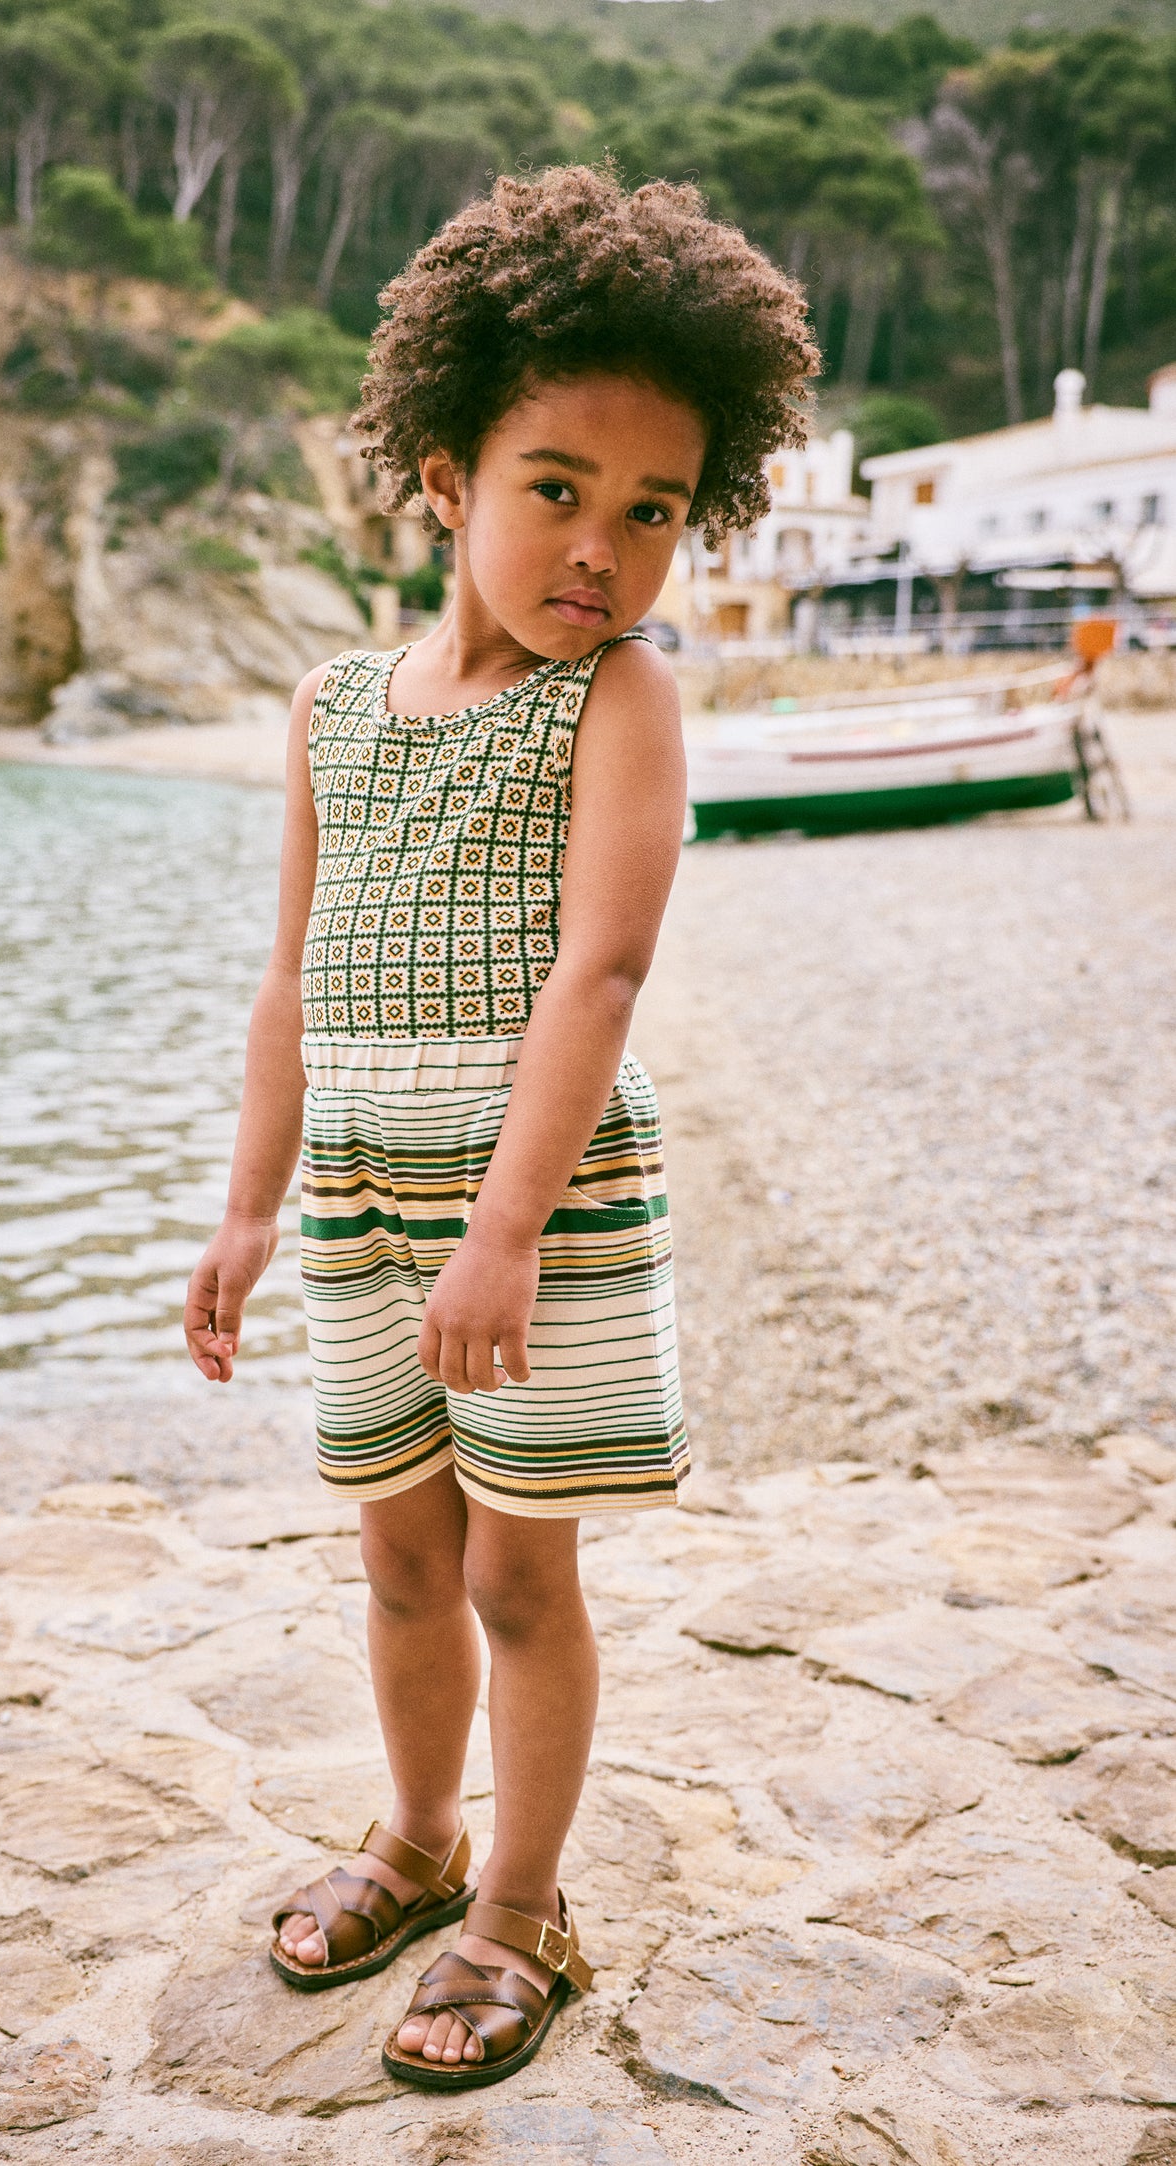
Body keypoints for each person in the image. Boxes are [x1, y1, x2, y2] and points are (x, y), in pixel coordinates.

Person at [184, 162, 815, 2091]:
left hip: (528, 1205)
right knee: (397, 1554)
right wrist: (247, 1210)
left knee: (516, 1573)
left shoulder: (617, 699)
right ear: (445, 474)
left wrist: (506, 1230)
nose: (601, 550)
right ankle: (417, 1834)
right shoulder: (332, 705)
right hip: (363, 1199)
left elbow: (598, 976)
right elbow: (293, 977)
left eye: (653, 511)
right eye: (556, 488)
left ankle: (523, 1901)